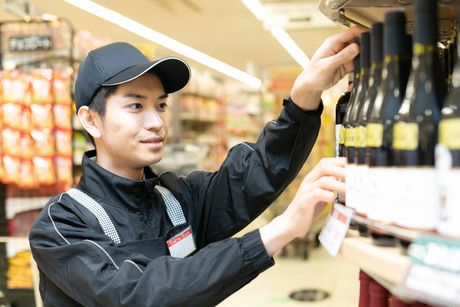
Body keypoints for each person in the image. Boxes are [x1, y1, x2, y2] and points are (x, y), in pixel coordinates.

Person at [29, 27, 362, 307]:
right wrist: (282, 229)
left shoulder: (177, 199)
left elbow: (254, 175)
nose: (156, 121)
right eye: (135, 105)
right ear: (91, 120)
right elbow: (136, 294)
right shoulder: (62, 226)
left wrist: (304, 98)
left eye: (160, 105)